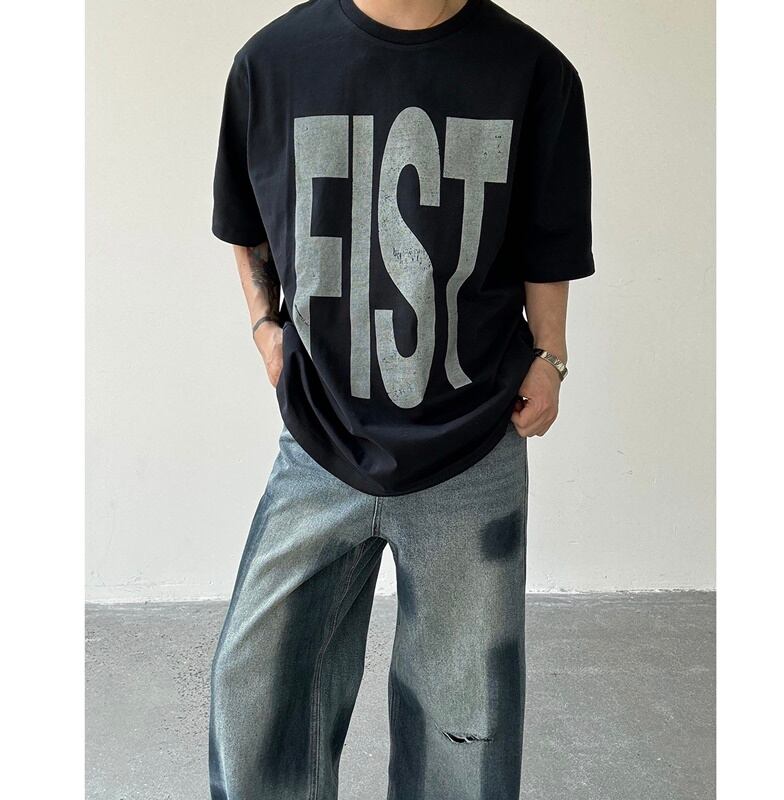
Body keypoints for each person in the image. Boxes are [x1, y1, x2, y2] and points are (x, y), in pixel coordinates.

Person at [209, 0, 594, 797]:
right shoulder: (272, 62)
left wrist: (550, 355)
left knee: (463, 729)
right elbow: (244, 217)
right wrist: (263, 325)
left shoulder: (535, 72)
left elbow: (549, 238)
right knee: (255, 695)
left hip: (473, 440)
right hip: (320, 435)